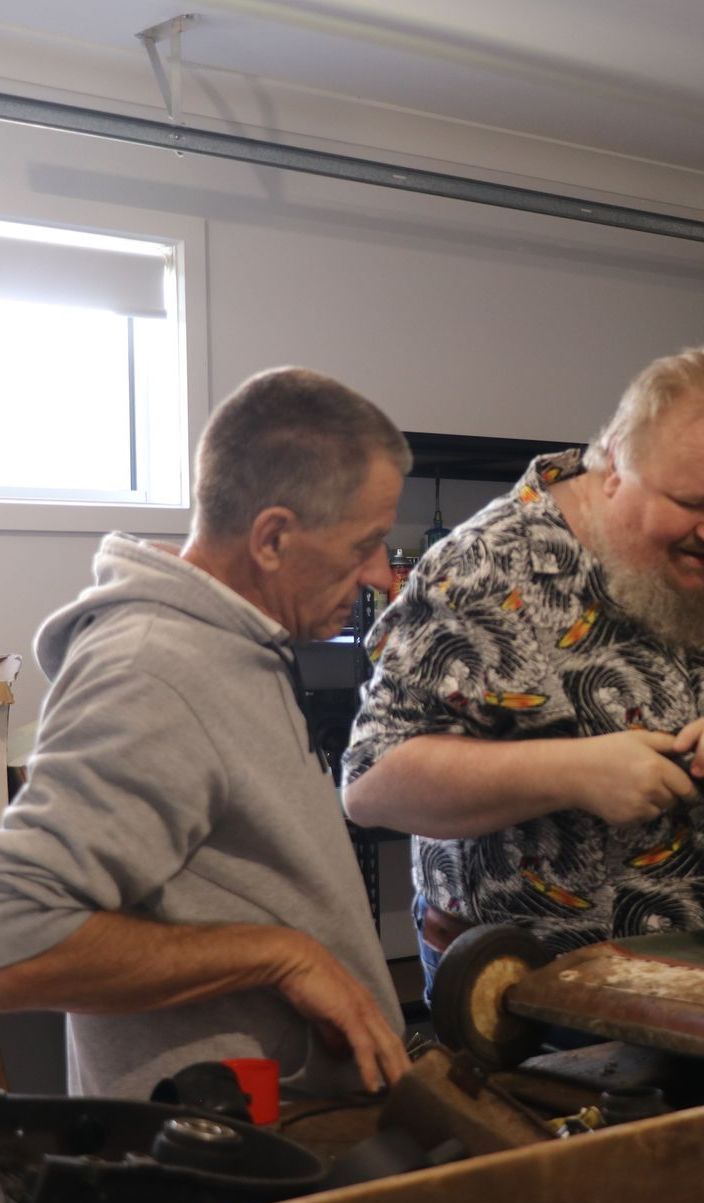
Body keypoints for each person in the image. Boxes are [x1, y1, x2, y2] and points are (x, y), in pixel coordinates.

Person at [343, 347, 704, 995]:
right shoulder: (486, 568)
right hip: (539, 987)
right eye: (691, 503)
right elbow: (372, 785)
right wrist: (571, 773)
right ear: (611, 473)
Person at [0, 368, 412, 1099]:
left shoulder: (243, 642)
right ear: (273, 539)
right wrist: (278, 957)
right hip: (211, 1170)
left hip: (290, 1147)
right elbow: (13, 930)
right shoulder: (153, 671)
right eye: (364, 545)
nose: (381, 575)